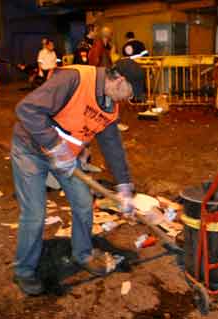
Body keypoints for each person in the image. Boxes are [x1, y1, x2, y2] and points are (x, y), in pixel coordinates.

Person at [11, 59, 145, 295]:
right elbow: (26, 109)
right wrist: (56, 147)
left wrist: (124, 188)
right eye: (130, 93)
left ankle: (82, 254)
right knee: (35, 214)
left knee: (84, 204)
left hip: (66, 158)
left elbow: (113, 146)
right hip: (30, 149)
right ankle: (24, 270)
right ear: (120, 80)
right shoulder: (74, 78)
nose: (128, 99)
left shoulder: (110, 106)